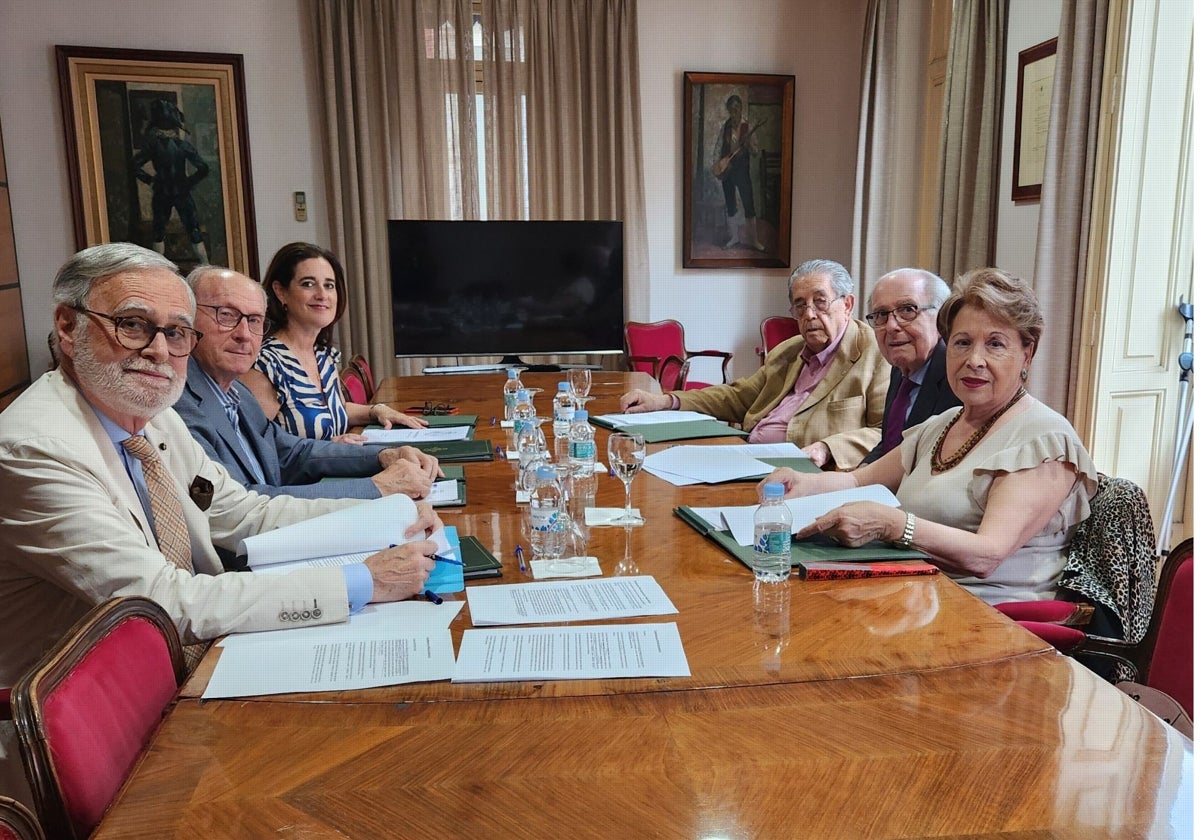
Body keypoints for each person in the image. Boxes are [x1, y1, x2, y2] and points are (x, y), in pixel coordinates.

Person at [0, 243, 444, 688]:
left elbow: (243, 512)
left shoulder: (155, 419)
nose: (159, 350)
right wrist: (360, 581)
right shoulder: (34, 449)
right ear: (68, 326)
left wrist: (389, 514)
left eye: (176, 332)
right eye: (132, 325)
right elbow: (160, 601)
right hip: (101, 707)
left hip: (192, 659)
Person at [761, 268, 1098, 605]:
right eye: (962, 343)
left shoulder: (1045, 438)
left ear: (1027, 353)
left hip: (989, 622)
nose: (974, 360)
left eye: (995, 344)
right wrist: (801, 482)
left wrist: (894, 525)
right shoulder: (944, 423)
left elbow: (987, 554)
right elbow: (857, 481)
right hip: (913, 596)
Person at [173, 265, 442, 507]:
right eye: (227, 315)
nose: (244, 334)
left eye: (254, 320)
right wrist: (377, 487)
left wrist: (383, 456)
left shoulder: (235, 390)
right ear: (187, 319)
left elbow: (290, 453)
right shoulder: (179, 408)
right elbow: (242, 505)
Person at [620, 259, 890, 467]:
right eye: (800, 306)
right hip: (747, 456)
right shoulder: (789, 351)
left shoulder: (876, 354)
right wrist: (666, 401)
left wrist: (828, 448)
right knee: (644, 462)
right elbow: (739, 396)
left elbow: (887, 433)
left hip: (805, 473)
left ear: (847, 304)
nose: (809, 314)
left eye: (820, 302)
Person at [241, 242, 426, 441]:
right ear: (280, 292)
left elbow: (333, 410)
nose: (322, 295)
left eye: (329, 285)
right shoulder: (266, 365)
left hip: (337, 467)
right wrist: (329, 447)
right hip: (308, 471)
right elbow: (253, 448)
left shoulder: (323, 355)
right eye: (308, 284)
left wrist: (377, 410)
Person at [857, 268, 960, 465]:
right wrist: (860, 471)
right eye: (881, 314)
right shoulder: (901, 369)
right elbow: (891, 443)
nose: (891, 326)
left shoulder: (957, 378)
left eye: (907, 310)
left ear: (943, 318)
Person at [132, 98, 210, 265]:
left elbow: (134, 165)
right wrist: (189, 182)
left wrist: (150, 181)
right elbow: (203, 168)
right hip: (179, 191)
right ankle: (205, 266)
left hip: (163, 191)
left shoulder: (153, 146)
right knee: (192, 230)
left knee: (159, 231)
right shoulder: (182, 146)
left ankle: (158, 268)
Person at [712, 94, 765, 252]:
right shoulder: (725, 127)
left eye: (736, 109)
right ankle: (734, 237)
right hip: (727, 171)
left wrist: (749, 146)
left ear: (741, 109)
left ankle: (753, 239)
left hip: (742, 171)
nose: (734, 113)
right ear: (728, 111)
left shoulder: (748, 127)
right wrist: (717, 165)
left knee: (748, 203)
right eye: (731, 110)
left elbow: (756, 152)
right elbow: (717, 147)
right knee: (730, 203)